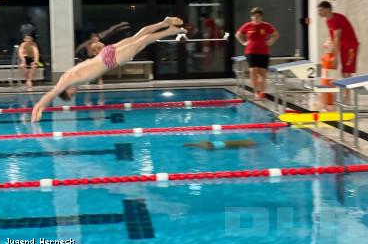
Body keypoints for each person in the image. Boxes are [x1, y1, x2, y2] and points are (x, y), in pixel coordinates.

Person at [31, 17, 185, 122]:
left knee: (142, 41)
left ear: (67, 90)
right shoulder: (69, 74)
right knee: (138, 36)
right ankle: (164, 23)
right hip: (106, 53)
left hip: (110, 60)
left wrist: (38, 108)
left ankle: (170, 30)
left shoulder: (67, 81)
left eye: (71, 94)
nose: (74, 93)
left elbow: (50, 94)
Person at [317, 1, 359, 104]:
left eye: (321, 10)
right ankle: (346, 96)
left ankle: (348, 99)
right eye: (319, 10)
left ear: (328, 9)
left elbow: (336, 38)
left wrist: (335, 57)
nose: (319, 12)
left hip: (350, 46)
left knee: (346, 71)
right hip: (342, 44)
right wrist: (328, 41)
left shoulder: (337, 19)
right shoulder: (328, 20)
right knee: (343, 72)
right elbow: (332, 36)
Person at [235, 7, 280, 99]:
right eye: (253, 16)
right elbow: (238, 34)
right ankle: (255, 92)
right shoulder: (247, 25)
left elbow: (276, 34)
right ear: (251, 17)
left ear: (261, 17)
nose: (255, 18)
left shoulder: (266, 25)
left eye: (257, 16)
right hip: (251, 51)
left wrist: (270, 42)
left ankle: (262, 91)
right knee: (253, 71)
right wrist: (244, 42)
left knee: (262, 73)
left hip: (264, 52)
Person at [183, 139, 254, 149]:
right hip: (221, 143)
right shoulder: (203, 142)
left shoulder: (204, 146)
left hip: (222, 145)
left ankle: (248, 143)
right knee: (235, 143)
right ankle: (248, 142)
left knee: (235, 144)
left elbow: (210, 146)